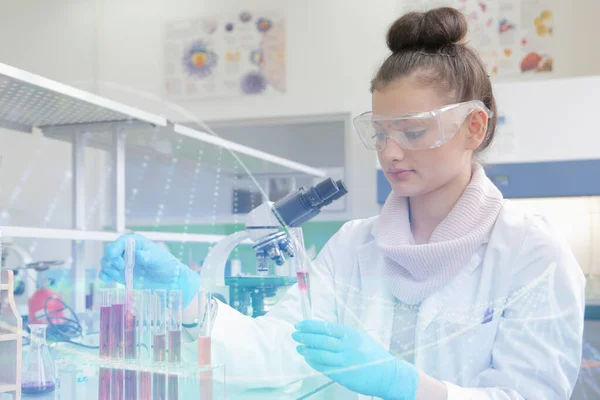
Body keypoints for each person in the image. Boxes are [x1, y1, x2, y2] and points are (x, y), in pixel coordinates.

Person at [100, 7, 585, 400]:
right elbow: (279, 350)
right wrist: (189, 300)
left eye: (413, 131)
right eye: (380, 132)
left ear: (473, 128)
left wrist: (408, 387)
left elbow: (528, 395)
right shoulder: (354, 245)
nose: (390, 151)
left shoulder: (531, 254)